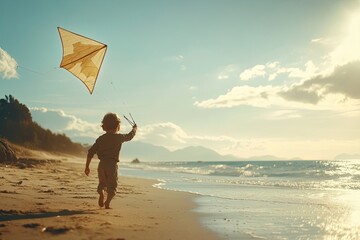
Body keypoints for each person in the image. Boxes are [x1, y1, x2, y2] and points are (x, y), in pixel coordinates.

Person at [85, 113, 137, 209]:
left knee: (102, 183)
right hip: (112, 165)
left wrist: (87, 166)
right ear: (118, 126)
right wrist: (134, 129)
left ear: (103, 126)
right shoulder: (119, 137)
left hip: (102, 165)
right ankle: (107, 202)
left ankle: (101, 192)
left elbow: (90, 152)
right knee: (112, 185)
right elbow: (130, 136)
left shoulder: (100, 139)